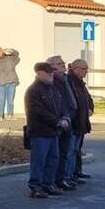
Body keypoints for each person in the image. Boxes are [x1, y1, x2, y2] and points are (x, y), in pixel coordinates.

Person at [24, 62, 68, 198]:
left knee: (53, 159)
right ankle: (36, 186)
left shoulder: (53, 89)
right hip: (40, 131)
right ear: (39, 73)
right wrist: (57, 122)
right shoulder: (33, 91)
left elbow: (62, 106)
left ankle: (48, 184)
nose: (51, 74)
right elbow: (38, 111)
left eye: (52, 72)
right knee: (39, 161)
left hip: (53, 131)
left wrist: (66, 118)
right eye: (48, 72)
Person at [47, 55, 79, 190]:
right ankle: (55, 180)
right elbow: (57, 103)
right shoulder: (53, 81)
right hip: (60, 122)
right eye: (59, 64)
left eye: (63, 63)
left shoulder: (65, 79)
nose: (63, 66)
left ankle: (62, 179)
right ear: (52, 67)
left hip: (68, 119)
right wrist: (62, 119)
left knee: (65, 152)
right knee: (57, 154)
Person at [67, 59, 94, 182]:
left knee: (76, 150)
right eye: (83, 69)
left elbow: (88, 98)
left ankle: (76, 172)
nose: (86, 72)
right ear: (75, 68)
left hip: (81, 122)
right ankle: (69, 175)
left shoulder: (80, 83)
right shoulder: (69, 82)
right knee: (71, 151)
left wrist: (90, 108)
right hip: (74, 122)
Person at [0, 47, 20, 120]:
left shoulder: (10, 59)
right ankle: (0, 116)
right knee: (1, 100)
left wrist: (12, 50)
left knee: (10, 100)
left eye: (0, 52)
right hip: (0, 83)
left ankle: (10, 115)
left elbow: (17, 55)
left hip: (11, 83)